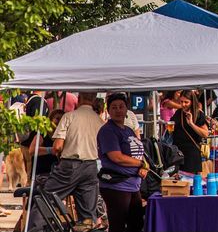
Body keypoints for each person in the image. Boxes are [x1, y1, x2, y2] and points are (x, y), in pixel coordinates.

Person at [43, 90, 102, 230]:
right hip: (91, 165)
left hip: (70, 164)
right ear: (94, 101)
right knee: (87, 215)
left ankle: (36, 228)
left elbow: (57, 146)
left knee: (45, 199)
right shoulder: (100, 121)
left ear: (79, 99)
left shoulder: (69, 116)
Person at [97, 94, 147, 232]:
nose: (118, 110)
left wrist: (144, 166)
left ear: (126, 110)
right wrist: (139, 164)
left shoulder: (129, 130)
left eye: (121, 107)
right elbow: (116, 157)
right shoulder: (107, 131)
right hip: (116, 186)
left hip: (133, 185)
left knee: (136, 223)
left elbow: (139, 153)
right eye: (114, 107)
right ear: (108, 111)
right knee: (118, 225)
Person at [171, 90, 209, 176]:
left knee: (191, 182)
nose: (183, 104)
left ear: (192, 102)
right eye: (181, 102)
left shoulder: (198, 114)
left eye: (186, 102)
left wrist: (191, 124)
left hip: (192, 153)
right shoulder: (178, 113)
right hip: (177, 152)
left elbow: (205, 134)